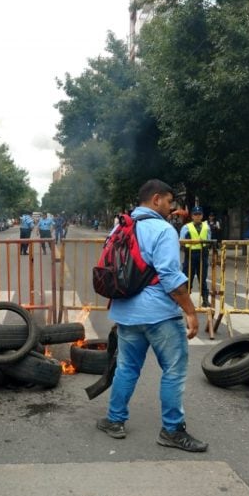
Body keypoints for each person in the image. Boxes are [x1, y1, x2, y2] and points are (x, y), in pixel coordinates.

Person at [96, 179, 207, 453]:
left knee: (127, 367)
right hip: (158, 315)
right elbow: (170, 277)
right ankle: (172, 430)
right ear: (156, 199)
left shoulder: (119, 226)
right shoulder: (163, 229)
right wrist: (191, 312)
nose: (172, 208)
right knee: (174, 370)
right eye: (170, 202)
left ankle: (114, 420)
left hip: (126, 313)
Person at [179, 206, 211, 307]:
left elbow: (209, 240)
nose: (197, 216)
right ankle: (185, 301)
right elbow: (181, 241)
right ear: (192, 216)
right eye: (195, 214)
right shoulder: (186, 227)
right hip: (190, 255)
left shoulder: (206, 227)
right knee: (187, 278)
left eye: (199, 214)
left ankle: (205, 300)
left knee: (203, 278)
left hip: (203, 254)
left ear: (202, 215)